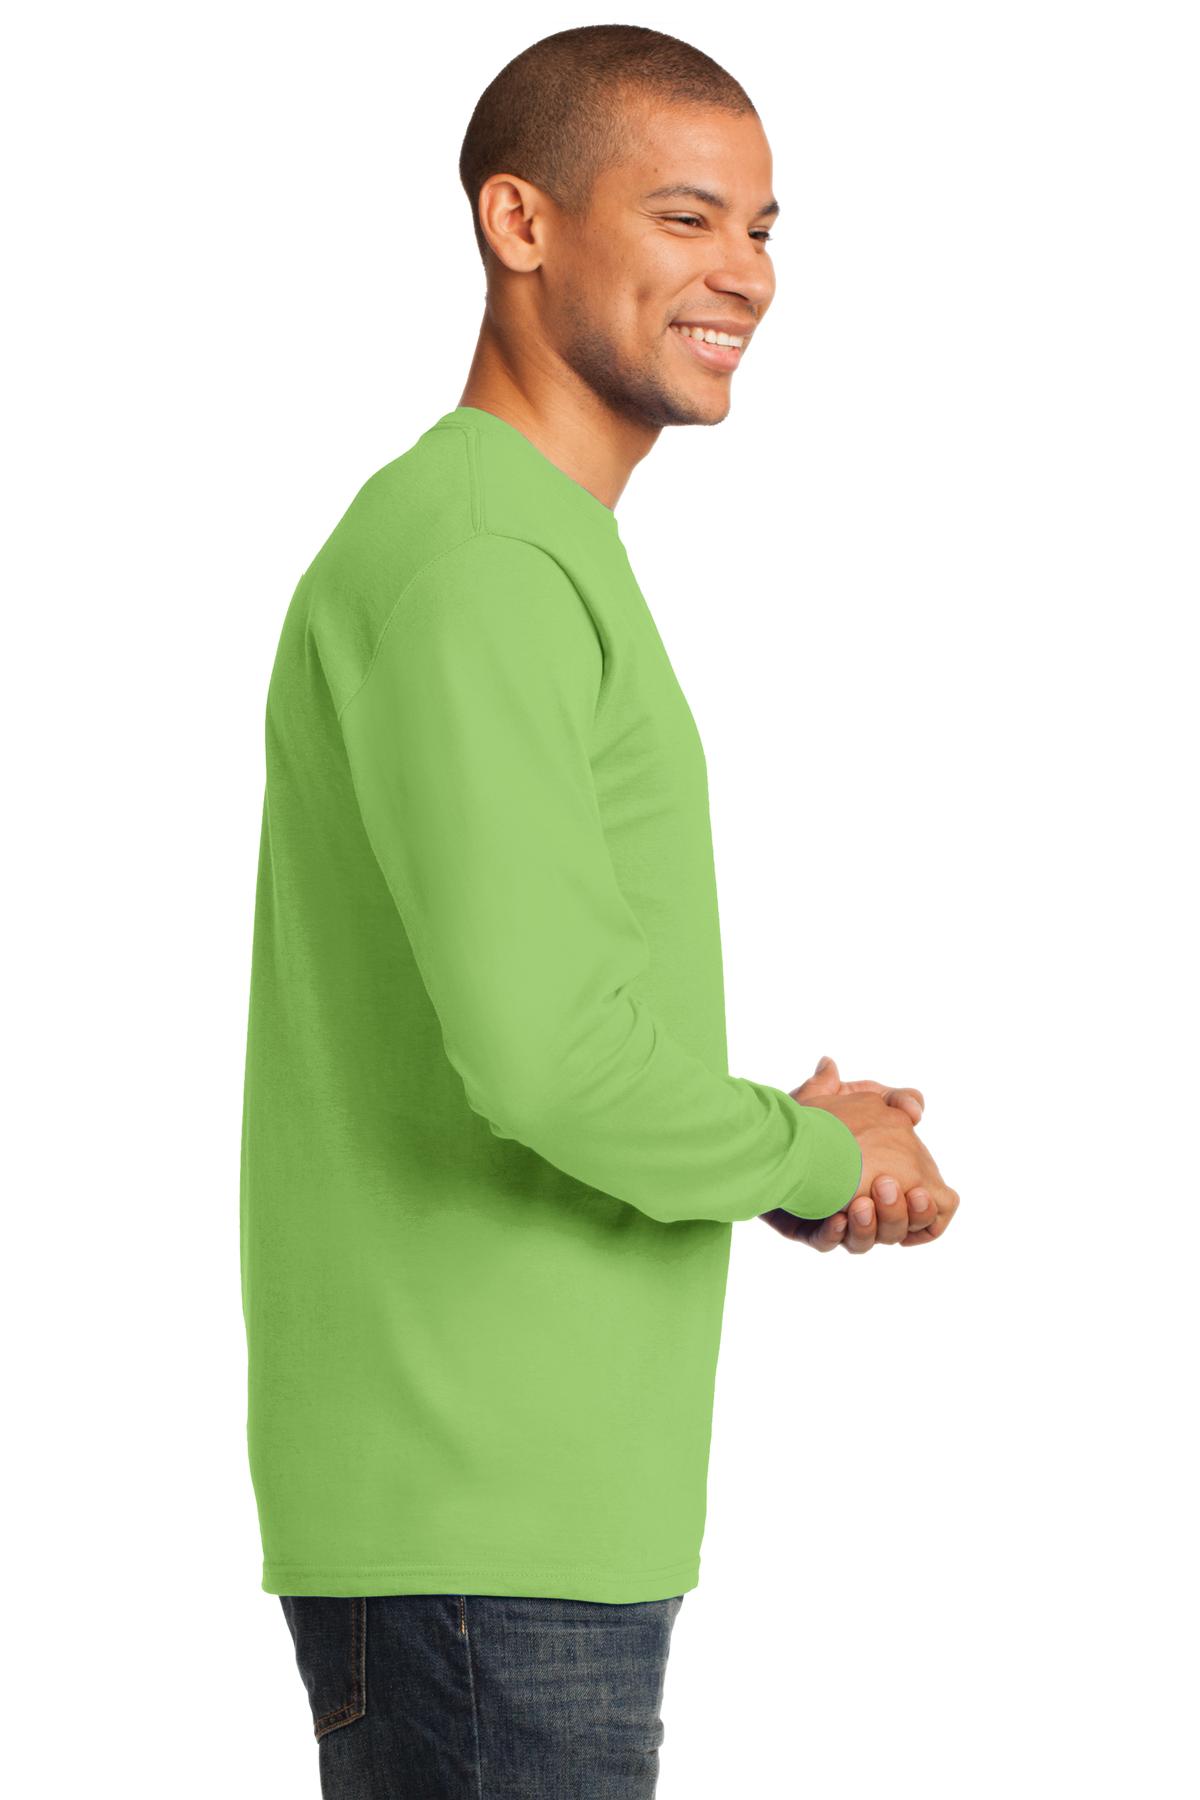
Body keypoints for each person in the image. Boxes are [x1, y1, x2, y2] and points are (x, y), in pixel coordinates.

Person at [240, 23, 960, 1798]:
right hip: (487, 1523)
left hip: (516, 1517)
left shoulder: (522, 545)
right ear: (521, 222)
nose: (747, 274)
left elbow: (542, 1025)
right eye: (688, 216)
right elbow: (550, 1061)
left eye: (765, 228)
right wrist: (814, 1153)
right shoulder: (482, 559)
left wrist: (774, 1147)